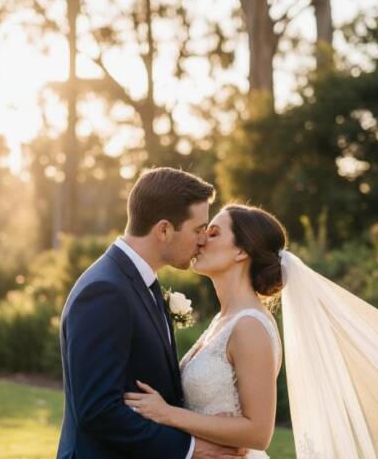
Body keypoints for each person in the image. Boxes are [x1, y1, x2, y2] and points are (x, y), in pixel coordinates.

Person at [125, 204, 378, 459]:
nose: (201, 240)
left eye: (213, 232)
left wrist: (168, 414)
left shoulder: (250, 326)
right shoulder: (224, 319)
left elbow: (259, 432)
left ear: (242, 251)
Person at [57, 167, 245, 459]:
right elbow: (97, 410)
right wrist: (191, 449)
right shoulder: (106, 291)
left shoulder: (142, 283)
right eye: (198, 229)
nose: (202, 240)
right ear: (164, 230)